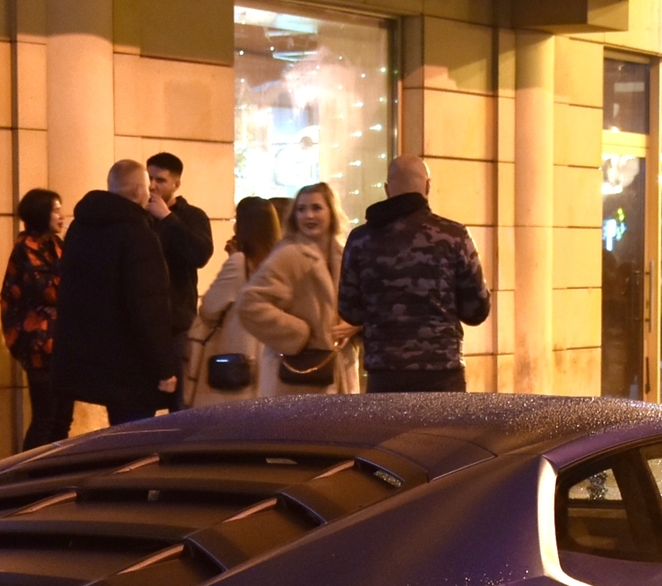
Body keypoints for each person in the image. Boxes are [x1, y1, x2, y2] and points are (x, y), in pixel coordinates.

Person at [339, 154, 490, 392]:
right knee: (442, 431)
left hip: (384, 374)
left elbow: (350, 311)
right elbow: (477, 310)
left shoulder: (360, 240)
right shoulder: (454, 235)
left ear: (387, 189)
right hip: (443, 373)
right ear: (428, 186)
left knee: (389, 431)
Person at [50, 160, 175, 425]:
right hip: (129, 364)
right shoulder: (138, 235)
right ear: (138, 191)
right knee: (134, 441)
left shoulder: (80, 228)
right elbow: (148, 307)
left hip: (88, 356)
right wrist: (164, 366)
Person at [241, 182, 358, 394]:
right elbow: (250, 305)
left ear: (331, 211)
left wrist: (355, 324)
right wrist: (299, 334)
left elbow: (362, 301)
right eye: (301, 209)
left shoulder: (344, 254)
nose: (308, 216)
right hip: (297, 376)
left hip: (338, 368)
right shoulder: (288, 254)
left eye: (316, 208)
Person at [183, 196, 279, 407]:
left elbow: (209, 308)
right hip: (265, 362)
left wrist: (232, 259)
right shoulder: (278, 260)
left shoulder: (240, 262)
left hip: (234, 359)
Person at [2, 187, 69, 448]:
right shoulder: (25, 249)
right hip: (39, 345)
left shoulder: (57, 245)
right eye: (55, 209)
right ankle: (30, 481)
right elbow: (50, 291)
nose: (61, 215)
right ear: (41, 214)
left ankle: (58, 479)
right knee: (45, 418)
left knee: (63, 419)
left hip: (62, 343)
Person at [144, 152, 213, 404]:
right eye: (149, 178)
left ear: (176, 184)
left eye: (160, 180)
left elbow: (200, 254)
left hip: (179, 324)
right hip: (144, 325)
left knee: (181, 404)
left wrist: (168, 218)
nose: (152, 185)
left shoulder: (192, 216)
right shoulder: (139, 216)